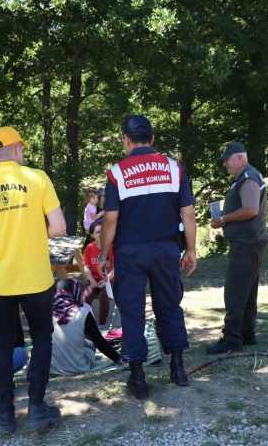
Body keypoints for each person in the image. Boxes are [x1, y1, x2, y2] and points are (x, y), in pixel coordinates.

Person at [0, 126, 67, 433]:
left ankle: (5, 413)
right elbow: (58, 227)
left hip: (0, 281)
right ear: (17, 149)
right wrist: (31, 229)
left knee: (3, 346)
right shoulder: (37, 178)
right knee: (42, 339)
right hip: (35, 277)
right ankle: (36, 406)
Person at [99, 114, 197, 399]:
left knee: (132, 311)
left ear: (126, 140)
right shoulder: (174, 168)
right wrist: (190, 250)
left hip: (130, 251)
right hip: (167, 249)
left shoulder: (117, 173)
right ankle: (178, 368)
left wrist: (104, 254)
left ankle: (138, 378)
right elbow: (188, 213)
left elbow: (110, 219)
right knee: (169, 305)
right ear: (152, 140)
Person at [207, 142, 268, 354]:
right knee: (248, 291)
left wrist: (223, 218)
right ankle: (246, 334)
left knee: (235, 291)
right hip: (251, 241)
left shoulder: (249, 177)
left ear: (240, 158)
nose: (225, 163)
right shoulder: (247, 177)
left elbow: (250, 209)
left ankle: (232, 339)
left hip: (246, 242)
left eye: (227, 159)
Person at [50, 278, 121, 376]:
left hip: (50, 369)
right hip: (78, 367)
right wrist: (119, 359)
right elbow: (99, 343)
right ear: (75, 292)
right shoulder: (82, 313)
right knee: (89, 343)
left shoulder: (46, 314)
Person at [82, 220, 113, 329]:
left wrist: (106, 280)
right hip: (94, 280)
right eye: (98, 232)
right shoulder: (89, 248)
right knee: (86, 296)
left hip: (109, 280)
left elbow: (116, 267)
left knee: (104, 295)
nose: (101, 234)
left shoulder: (111, 247)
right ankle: (87, 323)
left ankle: (102, 323)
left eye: (103, 231)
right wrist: (91, 280)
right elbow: (86, 267)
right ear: (92, 235)